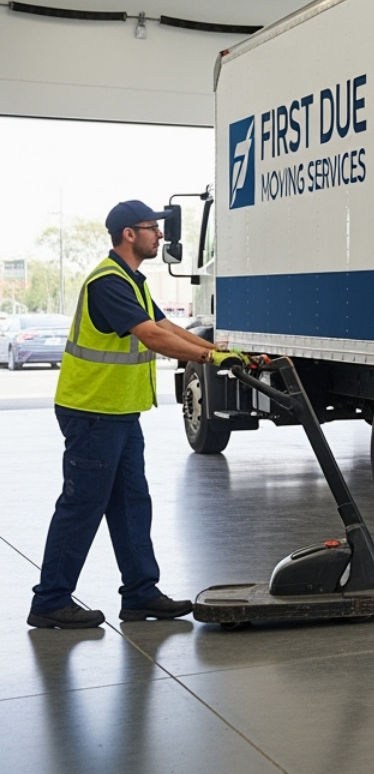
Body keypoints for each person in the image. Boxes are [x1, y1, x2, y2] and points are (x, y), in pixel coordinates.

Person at [29, 201, 243, 629]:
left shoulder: (133, 282)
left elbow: (165, 327)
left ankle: (141, 593)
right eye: (152, 228)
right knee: (82, 506)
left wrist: (216, 350)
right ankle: (50, 600)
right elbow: (150, 338)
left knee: (132, 504)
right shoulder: (108, 282)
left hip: (120, 413)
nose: (160, 235)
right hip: (92, 413)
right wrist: (206, 357)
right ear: (129, 234)